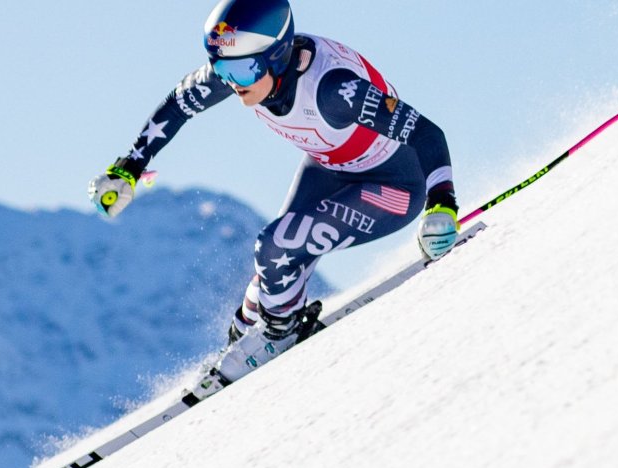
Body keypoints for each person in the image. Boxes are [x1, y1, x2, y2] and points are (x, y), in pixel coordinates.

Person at [89, 0, 459, 379]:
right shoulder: (246, 68)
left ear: (278, 56)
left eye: (243, 70)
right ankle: (259, 334)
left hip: (394, 185)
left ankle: (283, 332)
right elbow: (179, 105)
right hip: (331, 166)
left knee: (274, 249)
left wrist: (441, 205)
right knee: (262, 291)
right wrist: (128, 168)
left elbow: (427, 133)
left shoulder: (333, 90)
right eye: (222, 69)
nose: (233, 83)